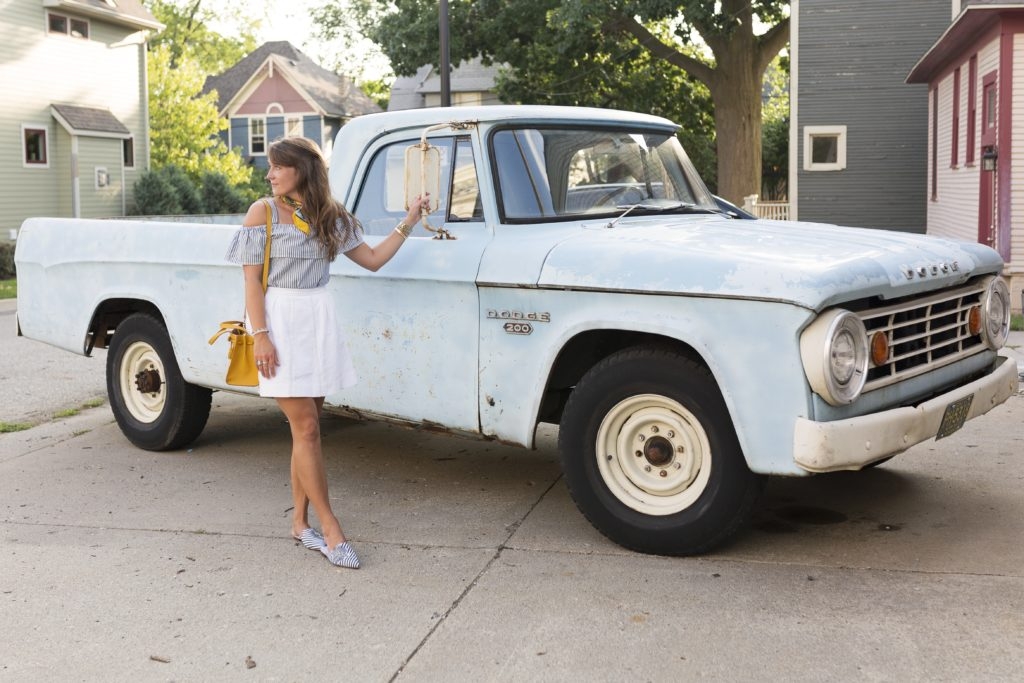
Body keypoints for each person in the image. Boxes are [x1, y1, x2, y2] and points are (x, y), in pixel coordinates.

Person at [225, 136, 428, 569]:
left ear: (302, 168)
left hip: (317, 319)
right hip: (278, 322)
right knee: (308, 428)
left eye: (278, 166)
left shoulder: (330, 217)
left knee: (307, 429)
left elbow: (373, 259)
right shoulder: (261, 212)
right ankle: (331, 529)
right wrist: (260, 334)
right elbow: (250, 282)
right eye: (271, 168)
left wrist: (409, 220)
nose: (270, 173)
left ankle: (300, 524)